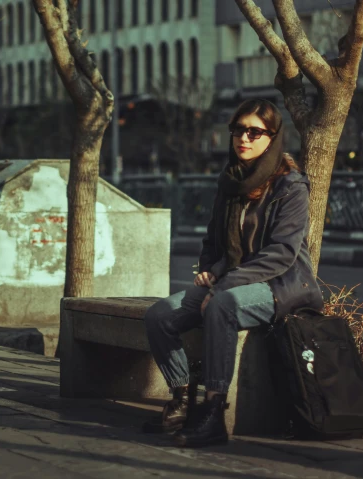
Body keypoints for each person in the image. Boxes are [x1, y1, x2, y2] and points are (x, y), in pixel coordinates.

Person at [142, 99, 323, 448]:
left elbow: (282, 253)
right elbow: (213, 240)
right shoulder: (230, 183)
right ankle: (181, 403)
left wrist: (223, 285)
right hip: (231, 280)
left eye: (254, 132)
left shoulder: (291, 186)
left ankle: (213, 415)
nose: (244, 138)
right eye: (238, 130)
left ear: (272, 137)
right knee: (160, 315)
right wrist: (209, 271)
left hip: (282, 286)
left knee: (222, 305)